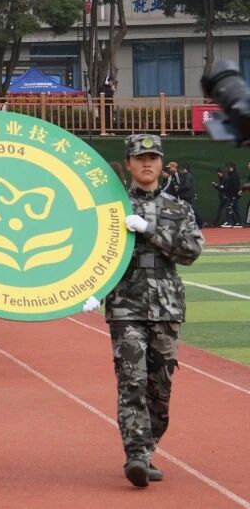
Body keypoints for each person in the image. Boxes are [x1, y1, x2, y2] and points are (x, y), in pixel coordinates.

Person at [105, 134, 204, 488]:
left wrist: (149, 230)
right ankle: (136, 455)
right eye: (140, 158)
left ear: (162, 164)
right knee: (132, 381)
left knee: (160, 390)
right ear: (129, 164)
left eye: (153, 157)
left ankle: (147, 449)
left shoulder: (179, 209)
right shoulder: (113, 209)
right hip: (125, 306)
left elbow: (191, 252)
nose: (147, 163)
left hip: (167, 306)